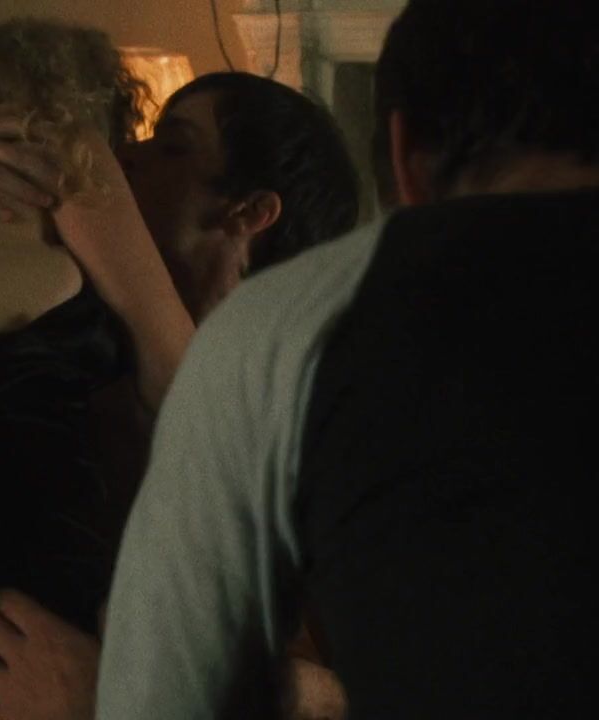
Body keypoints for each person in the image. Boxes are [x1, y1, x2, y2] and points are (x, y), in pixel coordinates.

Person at [0, 71, 358, 720]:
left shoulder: (264, 409)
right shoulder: (85, 306)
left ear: (249, 214)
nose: (130, 155)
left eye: (173, 147)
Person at [95, 0, 599, 717]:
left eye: (171, 146)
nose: (128, 159)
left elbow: (162, 697)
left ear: (404, 155)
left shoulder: (285, 334)